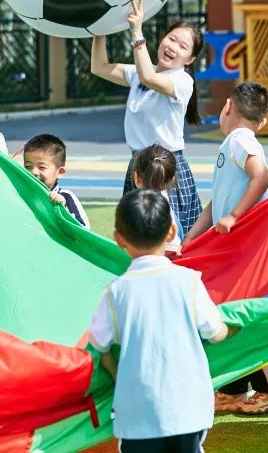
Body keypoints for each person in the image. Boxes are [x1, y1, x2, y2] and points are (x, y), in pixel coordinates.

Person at [87, 189, 237, 452]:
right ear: (171, 232)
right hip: (188, 408)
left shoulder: (117, 291)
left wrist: (118, 376)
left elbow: (98, 344)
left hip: (138, 410)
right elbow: (215, 333)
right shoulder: (188, 281)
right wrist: (237, 323)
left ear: (119, 239)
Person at [183, 82, 268, 415]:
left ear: (227, 106)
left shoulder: (240, 140)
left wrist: (234, 215)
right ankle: (233, 388)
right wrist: (194, 235)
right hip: (232, 248)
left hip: (246, 248)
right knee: (226, 312)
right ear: (263, 122)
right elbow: (218, 200)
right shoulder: (234, 143)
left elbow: (262, 177)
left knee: (243, 316)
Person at [90, 0, 204, 237]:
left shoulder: (182, 81)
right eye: (171, 39)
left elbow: (148, 78)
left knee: (175, 238)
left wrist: (136, 31)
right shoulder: (139, 72)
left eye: (183, 46)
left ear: (190, 59)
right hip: (138, 163)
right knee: (137, 234)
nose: (173, 47)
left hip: (166, 166)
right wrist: (99, 29)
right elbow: (99, 66)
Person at [22, 134, 90, 228]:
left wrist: (63, 209)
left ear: (60, 172)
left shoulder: (66, 197)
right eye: (28, 166)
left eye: (42, 167)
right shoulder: (20, 193)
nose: (33, 172)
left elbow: (84, 229)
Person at [130, 145, 182, 255]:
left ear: (136, 177)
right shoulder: (164, 204)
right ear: (172, 178)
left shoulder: (150, 207)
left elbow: (170, 249)